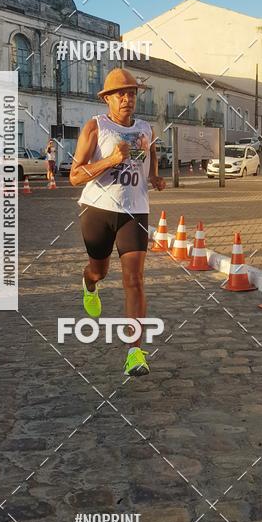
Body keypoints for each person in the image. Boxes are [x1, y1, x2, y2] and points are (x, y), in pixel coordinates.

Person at [70, 68, 166, 377]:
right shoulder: (95, 127)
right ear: (108, 99)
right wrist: (110, 160)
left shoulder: (146, 128)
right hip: (96, 209)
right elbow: (74, 176)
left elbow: (150, 155)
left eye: (132, 93)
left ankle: (135, 352)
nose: (127, 98)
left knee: (134, 279)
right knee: (100, 270)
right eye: (121, 94)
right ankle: (89, 283)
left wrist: (154, 177)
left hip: (134, 211)